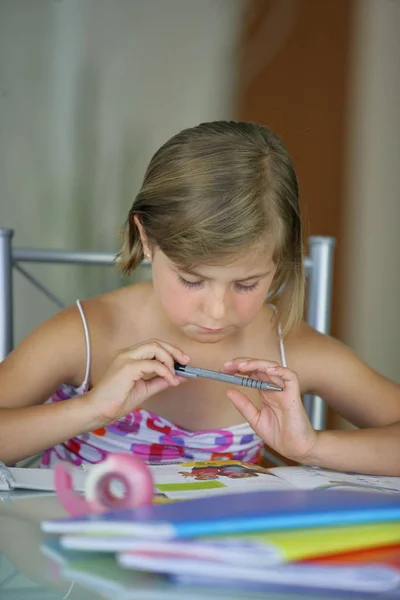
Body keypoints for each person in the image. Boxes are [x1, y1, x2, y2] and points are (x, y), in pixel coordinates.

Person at [0, 121, 399, 475]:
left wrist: (312, 447)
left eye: (246, 284)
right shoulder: (86, 336)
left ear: (281, 261)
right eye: (192, 280)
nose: (217, 311)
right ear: (147, 238)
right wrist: (90, 410)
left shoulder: (290, 350)